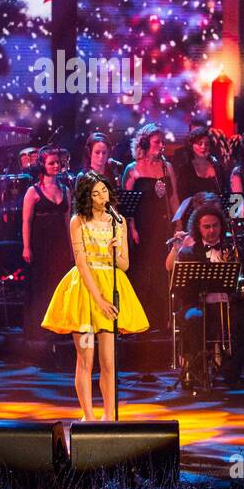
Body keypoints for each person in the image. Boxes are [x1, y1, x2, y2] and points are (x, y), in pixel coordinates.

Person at [42, 175, 148, 421]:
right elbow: (80, 262)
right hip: (85, 293)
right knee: (86, 359)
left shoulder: (117, 221)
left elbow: (124, 264)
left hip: (111, 286)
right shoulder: (77, 221)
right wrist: (98, 300)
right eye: (96, 194)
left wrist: (115, 249)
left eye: (104, 192)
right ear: (86, 197)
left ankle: (109, 416)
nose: (103, 198)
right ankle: (88, 417)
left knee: (109, 361)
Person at [164, 201, 244, 388]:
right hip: (199, 305)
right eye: (206, 227)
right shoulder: (189, 252)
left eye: (215, 225)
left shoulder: (232, 249)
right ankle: (197, 371)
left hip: (228, 304)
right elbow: (180, 285)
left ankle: (231, 368)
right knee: (193, 319)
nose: (211, 231)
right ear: (198, 228)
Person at [122, 123, 178, 329]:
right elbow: (126, 203)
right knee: (142, 273)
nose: (161, 146)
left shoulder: (167, 167)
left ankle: (162, 320)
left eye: (163, 142)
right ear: (145, 143)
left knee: (162, 272)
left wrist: (178, 223)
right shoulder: (133, 169)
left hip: (162, 226)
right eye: (157, 142)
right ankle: (141, 321)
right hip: (142, 228)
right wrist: (132, 228)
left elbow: (174, 198)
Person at [21, 146, 72, 346]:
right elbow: (26, 221)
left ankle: (58, 328)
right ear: (43, 165)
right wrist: (26, 247)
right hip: (40, 242)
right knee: (40, 285)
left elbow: (68, 220)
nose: (56, 166)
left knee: (59, 284)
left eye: (58, 162)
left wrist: (71, 247)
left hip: (59, 241)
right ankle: (37, 329)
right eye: (52, 163)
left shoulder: (66, 189)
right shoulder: (32, 191)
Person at [173, 125, 224, 203]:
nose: (203, 147)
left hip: (216, 212)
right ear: (191, 145)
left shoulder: (217, 166)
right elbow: (183, 199)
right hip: (195, 213)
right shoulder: (185, 170)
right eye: (199, 143)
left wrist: (234, 214)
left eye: (207, 144)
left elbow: (227, 193)